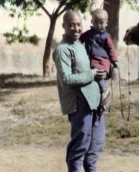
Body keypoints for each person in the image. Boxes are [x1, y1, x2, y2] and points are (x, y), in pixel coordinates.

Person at [53, 10, 108, 172]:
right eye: (72, 25)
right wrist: (91, 74)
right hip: (80, 105)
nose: (76, 28)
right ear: (64, 26)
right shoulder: (62, 49)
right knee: (78, 151)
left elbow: (87, 70)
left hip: (95, 103)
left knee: (93, 151)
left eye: (78, 25)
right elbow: (67, 79)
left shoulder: (80, 45)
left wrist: (100, 73)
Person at [79, 8, 119, 113]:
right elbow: (79, 39)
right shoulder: (88, 33)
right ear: (92, 21)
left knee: (99, 74)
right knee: (90, 76)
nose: (99, 25)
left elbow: (111, 50)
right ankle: (94, 97)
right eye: (96, 22)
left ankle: (105, 90)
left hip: (102, 61)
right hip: (90, 60)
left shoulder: (106, 37)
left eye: (102, 23)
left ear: (106, 23)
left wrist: (114, 62)